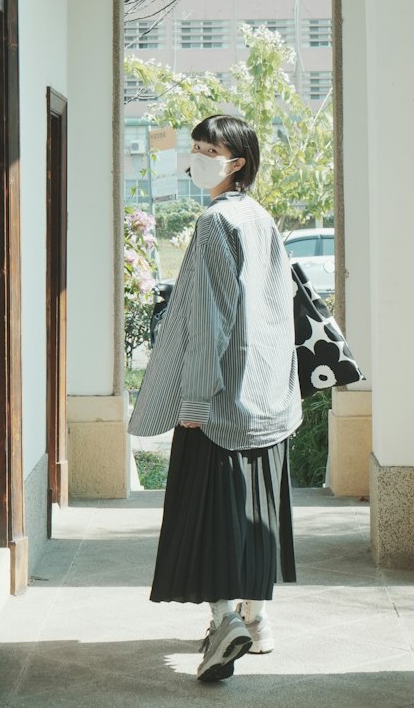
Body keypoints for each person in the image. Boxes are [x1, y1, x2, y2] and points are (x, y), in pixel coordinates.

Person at [128, 113, 302, 682]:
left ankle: (225, 619)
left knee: (211, 514)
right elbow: (277, 311)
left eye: (210, 149)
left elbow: (210, 321)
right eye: (196, 147)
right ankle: (260, 619)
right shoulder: (261, 219)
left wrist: (197, 402)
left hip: (221, 397)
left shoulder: (214, 224)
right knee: (255, 514)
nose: (197, 157)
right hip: (265, 398)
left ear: (238, 163)